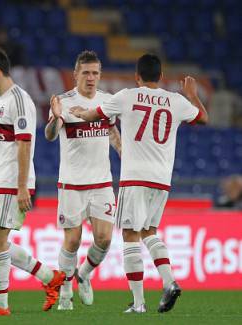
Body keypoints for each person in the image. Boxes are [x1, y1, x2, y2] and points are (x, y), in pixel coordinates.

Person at [66, 53, 208, 313]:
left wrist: (78, 111)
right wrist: (192, 94)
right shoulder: (175, 101)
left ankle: (140, 303)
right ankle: (169, 281)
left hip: (135, 178)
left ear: (137, 76)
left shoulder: (126, 96)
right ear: (161, 77)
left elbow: (92, 115)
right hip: (162, 180)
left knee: (131, 236)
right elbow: (203, 118)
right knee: (150, 232)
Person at [0, 46, 65, 316]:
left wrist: (21, 187)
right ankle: (50, 277)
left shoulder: (19, 100)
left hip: (11, 181)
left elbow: (23, 145)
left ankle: (1, 303)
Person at [45, 50, 121, 310]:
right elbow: (50, 136)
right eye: (86, 72)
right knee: (73, 240)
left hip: (101, 184)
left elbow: (112, 132)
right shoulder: (63, 102)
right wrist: (56, 117)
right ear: (76, 74)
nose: (91, 78)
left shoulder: (108, 101)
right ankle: (65, 291)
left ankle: (84, 274)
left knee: (104, 239)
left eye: (95, 73)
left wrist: (124, 153)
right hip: (72, 184)